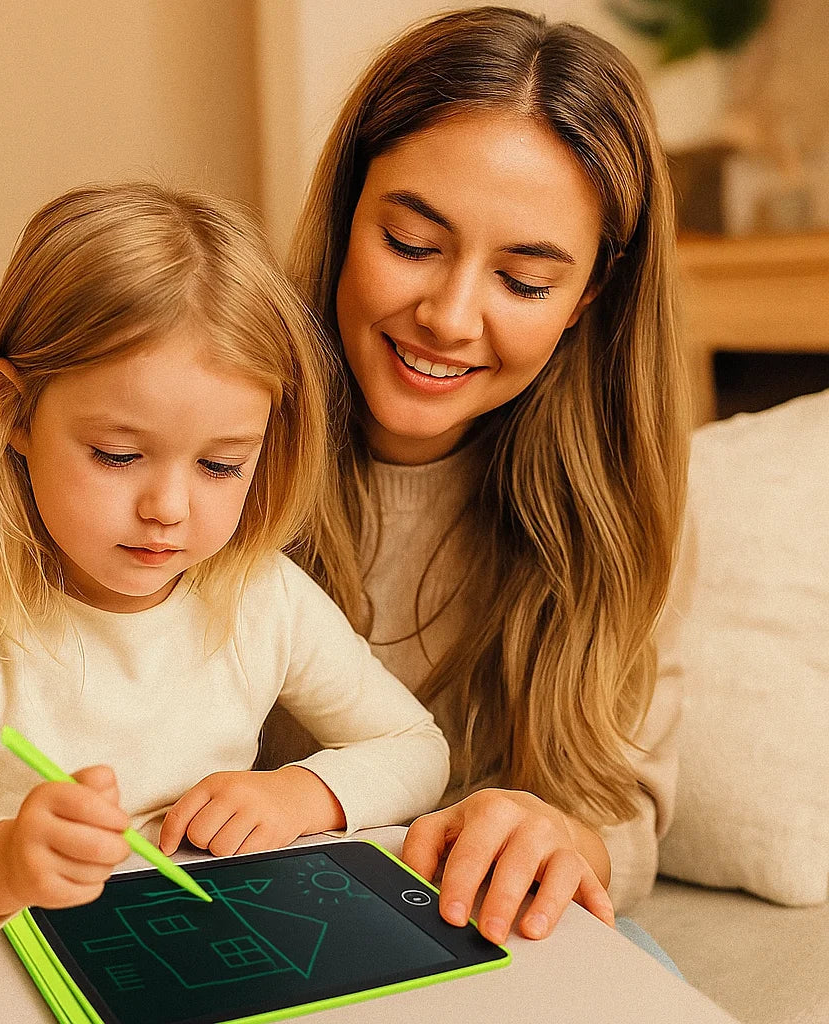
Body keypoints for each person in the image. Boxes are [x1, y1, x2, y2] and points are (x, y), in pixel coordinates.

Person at [0, 182, 449, 928]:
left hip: (170, 944)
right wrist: (0, 859)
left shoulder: (261, 595)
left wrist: (302, 793)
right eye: (117, 455)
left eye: (219, 466)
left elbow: (414, 746)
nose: (168, 511)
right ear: (15, 411)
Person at [261, 5, 691, 953]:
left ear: (589, 298)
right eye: (411, 244)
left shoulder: (611, 504)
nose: (450, 318)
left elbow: (622, 811)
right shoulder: (207, 432)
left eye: (525, 281)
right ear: (345, 216)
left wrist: (560, 837)